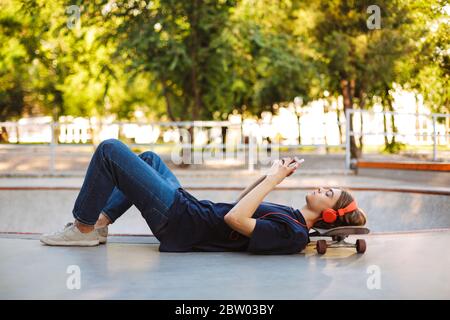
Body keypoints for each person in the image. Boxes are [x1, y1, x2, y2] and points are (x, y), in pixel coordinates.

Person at [40, 138, 367, 254]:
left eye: (329, 193)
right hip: (188, 207)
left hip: (180, 222)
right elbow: (242, 201)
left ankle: (82, 228)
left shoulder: (292, 234)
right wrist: (270, 175)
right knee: (152, 158)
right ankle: (100, 223)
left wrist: (273, 181)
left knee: (110, 150)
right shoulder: (291, 216)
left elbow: (234, 219)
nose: (321, 188)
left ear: (328, 215)